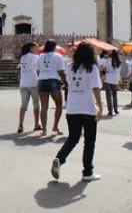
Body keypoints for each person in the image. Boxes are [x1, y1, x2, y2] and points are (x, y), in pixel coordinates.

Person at [50, 42, 103, 182]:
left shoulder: (69, 67)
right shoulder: (92, 68)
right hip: (87, 108)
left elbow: (69, 82)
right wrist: (100, 107)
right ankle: (87, 172)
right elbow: (95, 88)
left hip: (72, 108)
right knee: (89, 141)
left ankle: (59, 159)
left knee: (73, 138)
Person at [37, 40, 66, 136]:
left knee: (44, 106)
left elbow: (38, 70)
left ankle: (44, 130)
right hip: (53, 80)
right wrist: (65, 82)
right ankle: (55, 126)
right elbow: (61, 71)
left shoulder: (40, 56)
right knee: (59, 104)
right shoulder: (58, 56)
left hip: (42, 81)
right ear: (54, 46)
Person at [17, 42, 42, 134]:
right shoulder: (35, 57)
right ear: (31, 48)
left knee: (23, 105)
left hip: (23, 83)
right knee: (36, 104)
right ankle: (36, 124)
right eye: (36, 47)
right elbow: (38, 68)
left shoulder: (23, 57)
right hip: (33, 83)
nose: (37, 49)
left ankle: (20, 125)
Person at [100, 50, 122, 116]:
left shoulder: (107, 61)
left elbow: (103, 68)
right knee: (115, 95)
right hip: (115, 79)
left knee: (108, 96)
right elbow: (119, 70)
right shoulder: (119, 61)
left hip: (108, 78)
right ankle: (116, 109)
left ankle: (110, 110)